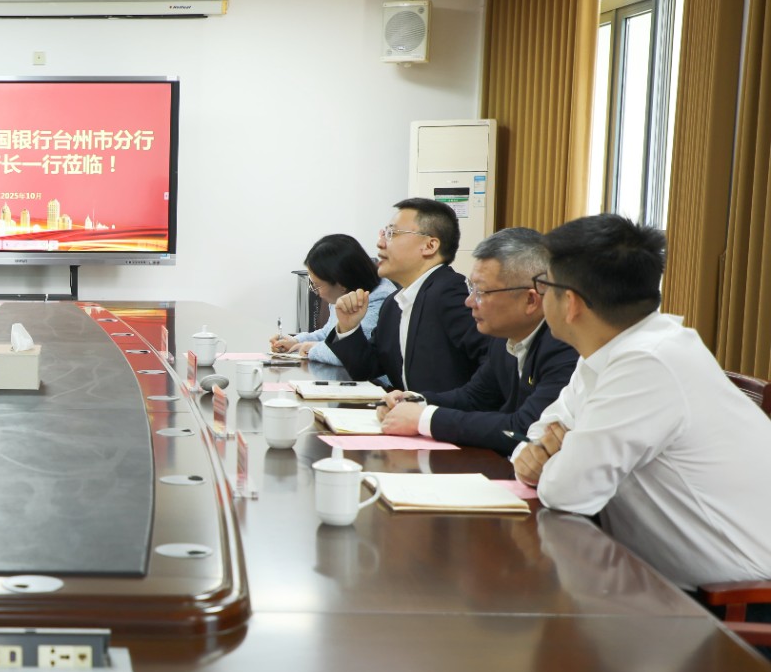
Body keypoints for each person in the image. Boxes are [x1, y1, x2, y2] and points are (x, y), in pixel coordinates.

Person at [512, 213, 771, 592]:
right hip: (656, 581)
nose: (541, 296)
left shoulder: (648, 362)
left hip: (734, 600)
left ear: (571, 303)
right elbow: (539, 431)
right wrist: (540, 453)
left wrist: (552, 460)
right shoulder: (610, 349)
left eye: (544, 285)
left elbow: (569, 492)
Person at [376, 227, 577, 454]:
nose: (469, 301)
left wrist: (424, 419)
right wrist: (414, 401)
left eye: (481, 292)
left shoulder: (564, 345)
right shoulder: (504, 338)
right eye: (471, 288)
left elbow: (526, 429)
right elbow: (475, 397)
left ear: (530, 300)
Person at [326, 197, 489, 393]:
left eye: (391, 233)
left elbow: (491, 365)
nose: (380, 243)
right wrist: (348, 327)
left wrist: (433, 407)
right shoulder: (393, 304)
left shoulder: (450, 292)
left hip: (447, 412)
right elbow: (366, 369)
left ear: (430, 246)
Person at [269, 233, 393, 369]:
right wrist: (296, 340)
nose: (315, 291)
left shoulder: (381, 302)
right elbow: (328, 333)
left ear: (341, 284)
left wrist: (311, 349)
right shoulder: (345, 295)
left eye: (317, 286)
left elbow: (350, 354)